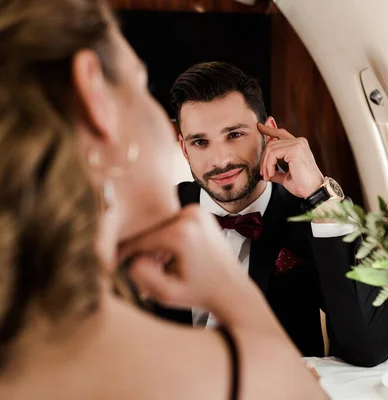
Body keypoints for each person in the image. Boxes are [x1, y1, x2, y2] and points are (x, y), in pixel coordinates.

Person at [0, 1, 327, 399]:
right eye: (140, 86)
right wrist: (234, 297)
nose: (219, 158)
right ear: (94, 96)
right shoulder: (224, 376)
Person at [164, 62, 388, 367]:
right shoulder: (154, 214)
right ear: (184, 149)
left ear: (269, 133)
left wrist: (320, 196)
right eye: (200, 142)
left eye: (234, 135)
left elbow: (369, 350)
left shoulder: (314, 217)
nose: (220, 160)